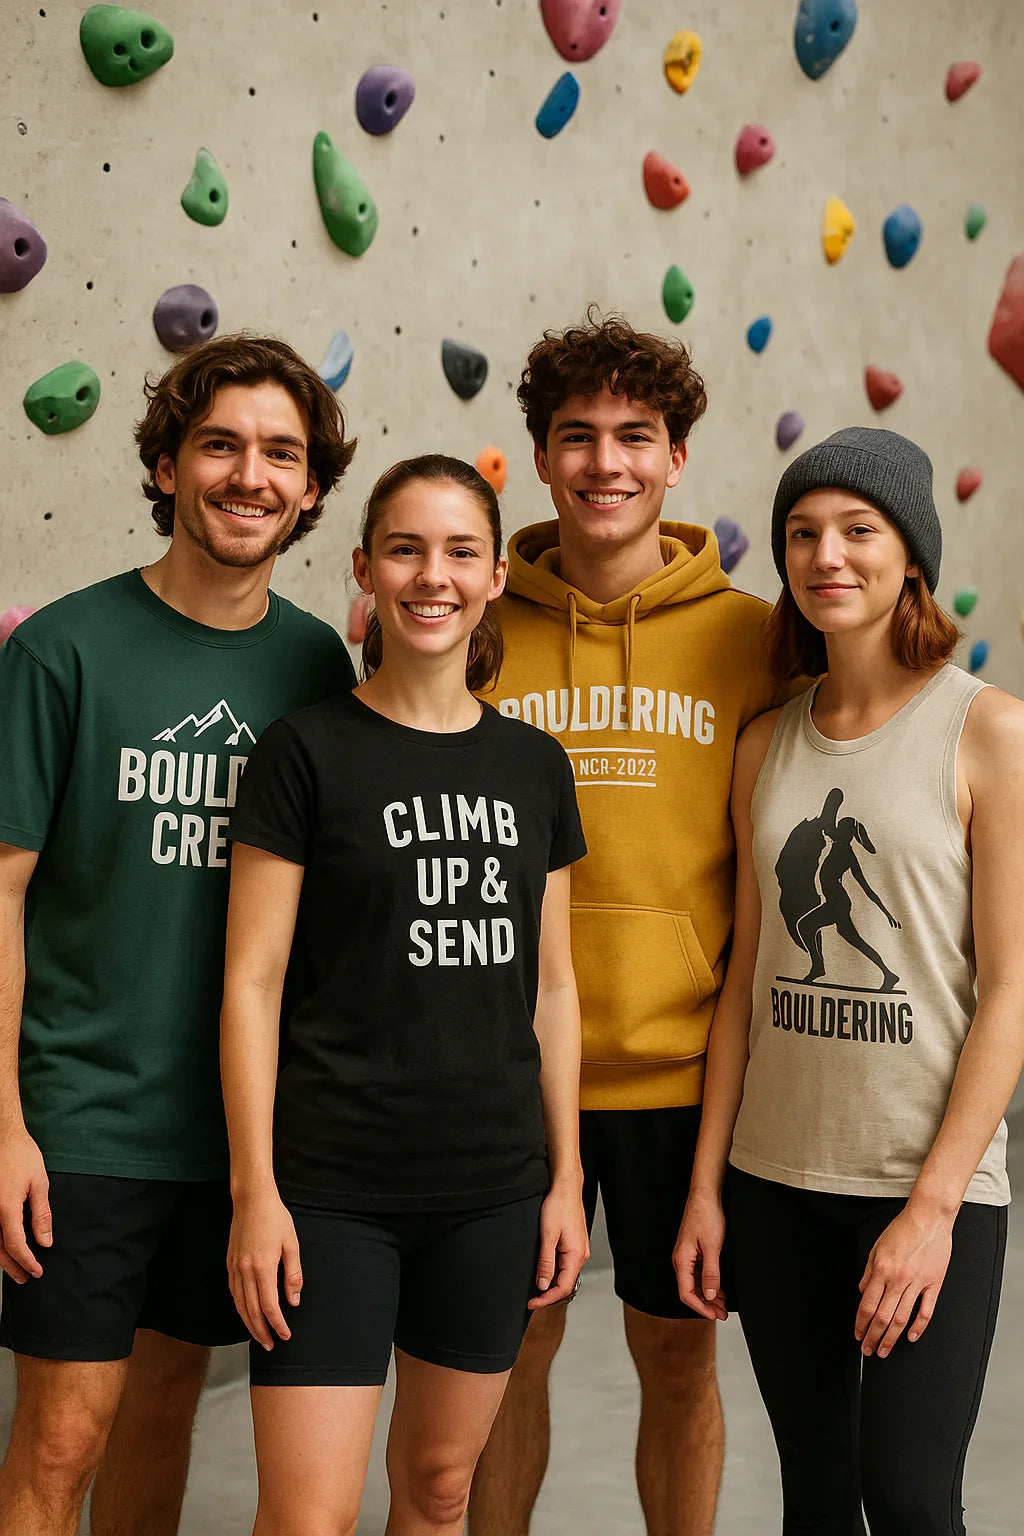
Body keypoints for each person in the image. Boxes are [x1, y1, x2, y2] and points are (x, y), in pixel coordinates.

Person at [0, 334, 356, 1536]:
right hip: (82, 1122)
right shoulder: (61, 649)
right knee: (61, 1438)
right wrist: (3, 1125)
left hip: (240, 1136)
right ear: (165, 465)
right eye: (219, 444)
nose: (249, 475)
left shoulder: (317, 664)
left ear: (311, 492)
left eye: (280, 454)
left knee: (162, 1420)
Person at [221, 454, 589, 1536]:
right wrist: (256, 1192)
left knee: (437, 1492)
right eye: (407, 549)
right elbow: (250, 982)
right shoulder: (305, 753)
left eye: (460, 552)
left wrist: (563, 1179)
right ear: (367, 570)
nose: (433, 575)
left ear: (489, 583)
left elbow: (554, 986)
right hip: (328, 1192)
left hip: (487, 1188)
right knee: (307, 1518)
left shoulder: (534, 765)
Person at [470, 314, 789, 1536]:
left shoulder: (756, 639)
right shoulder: (481, 625)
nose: (606, 462)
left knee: (675, 1362)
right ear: (541, 458)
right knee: (505, 1360)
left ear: (676, 458)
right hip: (504, 1074)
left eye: (634, 438)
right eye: (577, 437)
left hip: (678, 1081)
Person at [675, 427, 1024, 1535]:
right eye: (801, 534)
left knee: (911, 1499)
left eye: (857, 531)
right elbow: (741, 984)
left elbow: (1011, 991)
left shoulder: (989, 734)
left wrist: (929, 1213)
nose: (827, 554)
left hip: (925, 1187)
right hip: (776, 1182)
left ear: (908, 555)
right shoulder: (764, 744)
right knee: (816, 1499)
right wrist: (705, 1188)